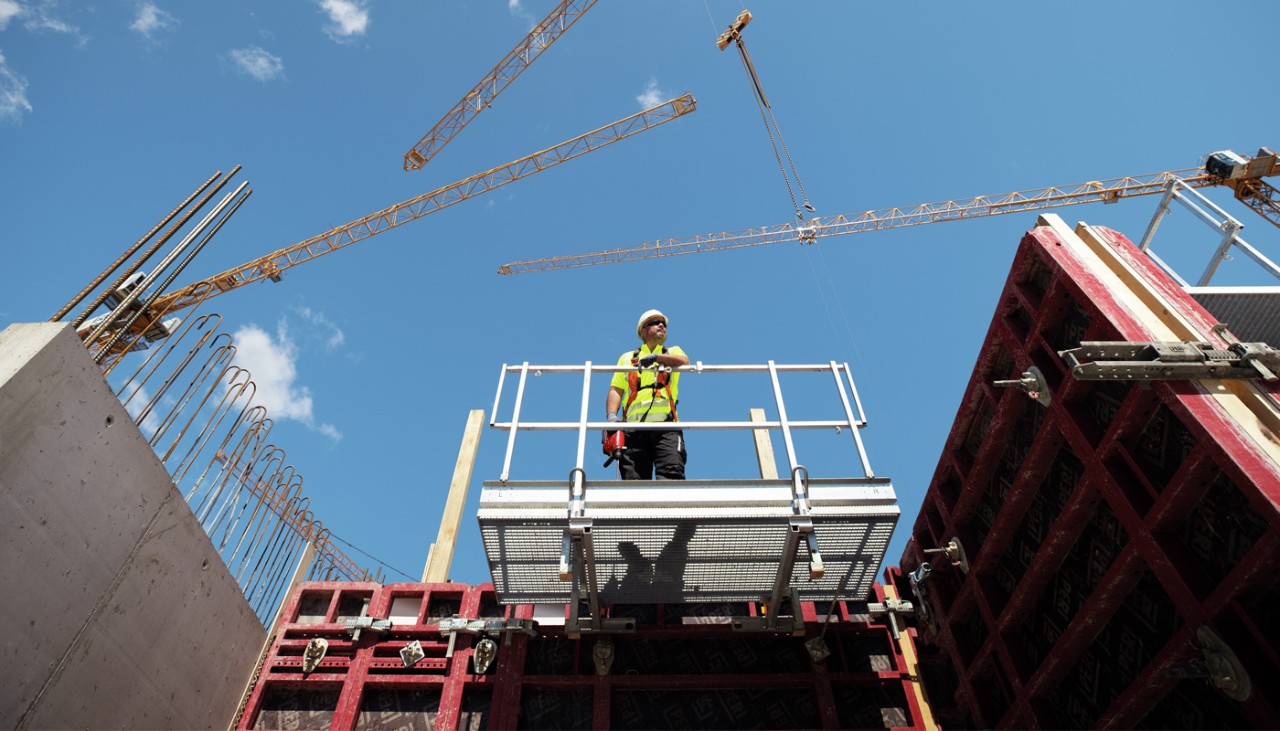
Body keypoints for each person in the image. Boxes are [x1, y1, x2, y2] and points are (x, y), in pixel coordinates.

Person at [605, 309, 690, 480]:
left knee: (671, 476)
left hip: (667, 428)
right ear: (642, 331)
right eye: (655, 322)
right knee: (634, 481)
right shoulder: (627, 358)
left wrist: (656, 358)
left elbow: (684, 362)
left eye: (663, 323)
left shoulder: (672, 352)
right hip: (634, 430)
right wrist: (612, 417)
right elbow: (616, 389)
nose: (661, 325)